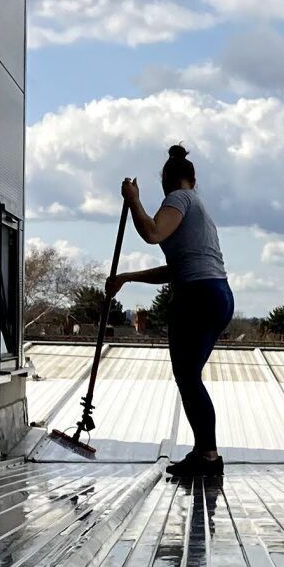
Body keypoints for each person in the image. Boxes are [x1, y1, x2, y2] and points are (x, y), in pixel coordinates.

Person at [107, 143, 234, 480]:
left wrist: (133, 200)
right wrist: (127, 278)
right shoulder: (200, 209)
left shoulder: (178, 199)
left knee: (188, 378)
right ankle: (204, 453)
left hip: (197, 297)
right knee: (190, 378)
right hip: (217, 294)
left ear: (168, 180)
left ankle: (207, 456)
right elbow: (176, 269)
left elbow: (152, 233)